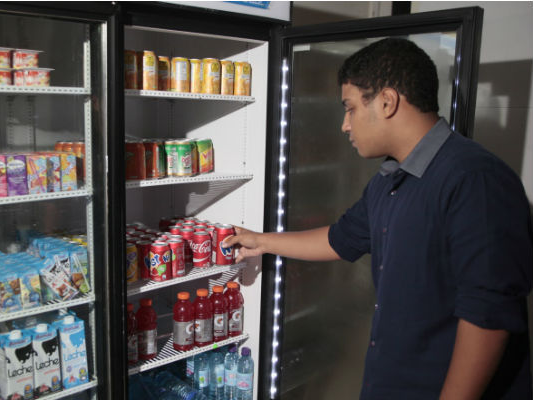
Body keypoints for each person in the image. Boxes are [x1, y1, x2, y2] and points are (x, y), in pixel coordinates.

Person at [223, 38, 533, 399]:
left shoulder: (475, 180)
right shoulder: (390, 180)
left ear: (387, 102)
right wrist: (260, 241)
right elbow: (341, 239)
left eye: (350, 108)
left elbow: (488, 319)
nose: (344, 124)